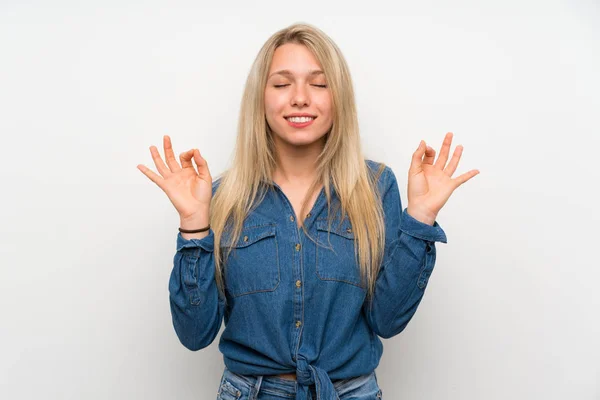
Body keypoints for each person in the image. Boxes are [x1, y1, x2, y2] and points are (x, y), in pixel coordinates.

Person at [137, 22, 479, 400]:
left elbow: (388, 320)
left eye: (318, 84)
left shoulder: (376, 187)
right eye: (282, 84)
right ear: (260, 98)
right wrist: (193, 227)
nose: (300, 98)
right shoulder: (221, 197)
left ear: (339, 97)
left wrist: (420, 220)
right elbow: (195, 334)